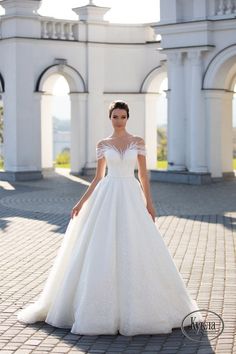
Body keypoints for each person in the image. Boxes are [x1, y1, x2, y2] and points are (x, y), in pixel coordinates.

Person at [17, 100, 203, 335]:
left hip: (131, 194)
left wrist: (150, 203)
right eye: (115, 116)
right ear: (110, 118)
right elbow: (97, 177)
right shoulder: (103, 144)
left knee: (137, 245)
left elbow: (144, 175)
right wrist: (80, 201)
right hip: (108, 194)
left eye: (123, 116)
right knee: (101, 246)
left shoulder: (138, 142)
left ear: (128, 118)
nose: (119, 121)